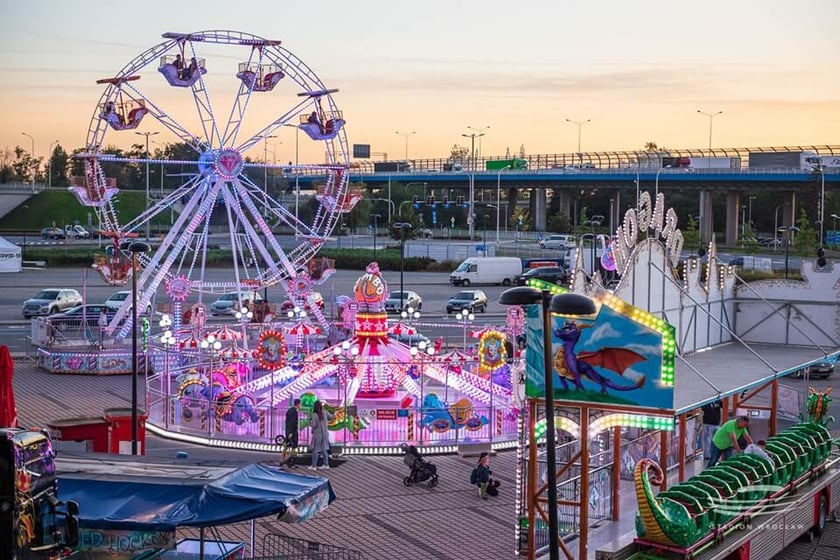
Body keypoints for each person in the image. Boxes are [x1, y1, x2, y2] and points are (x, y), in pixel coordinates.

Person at [308, 400, 331, 470]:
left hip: (318, 435)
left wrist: (310, 423)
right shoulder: (325, 412)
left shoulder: (315, 415)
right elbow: (331, 417)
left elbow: (314, 425)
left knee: (315, 450)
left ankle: (314, 466)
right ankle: (326, 464)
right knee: (324, 449)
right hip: (325, 434)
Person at [283, 398, 301, 468]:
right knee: (293, 447)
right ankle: (291, 462)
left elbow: (287, 421)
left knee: (286, 446)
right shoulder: (294, 412)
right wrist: (291, 432)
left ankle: (282, 461)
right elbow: (292, 422)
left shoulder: (289, 410)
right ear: (298, 404)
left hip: (288, 431)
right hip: (292, 432)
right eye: (300, 404)